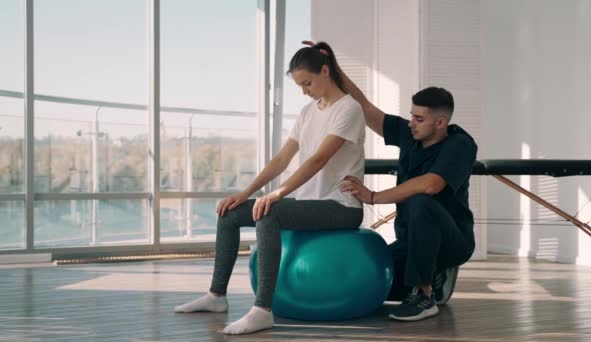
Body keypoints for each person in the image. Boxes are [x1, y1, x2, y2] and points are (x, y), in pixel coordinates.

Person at [174, 42, 366, 335]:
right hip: (310, 204)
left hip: (341, 207)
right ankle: (216, 296)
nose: (304, 90)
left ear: (325, 71)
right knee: (230, 214)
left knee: (270, 212)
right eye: (300, 85)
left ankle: (262, 309)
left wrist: (278, 193)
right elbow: (281, 159)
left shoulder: (349, 108)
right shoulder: (307, 112)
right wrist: (245, 192)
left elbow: (318, 159)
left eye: (308, 83)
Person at [304, 41, 478, 321]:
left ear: (440, 123)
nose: (411, 122)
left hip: (453, 240)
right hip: (412, 241)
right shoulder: (411, 133)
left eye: (419, 118)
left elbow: (430, 184)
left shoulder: (460, 144)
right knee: (371, 279)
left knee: (421, 200)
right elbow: (364, 107)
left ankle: (424, 295)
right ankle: (433, 280)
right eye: (411, 115)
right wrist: (332, 68)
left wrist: (373, 197)